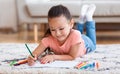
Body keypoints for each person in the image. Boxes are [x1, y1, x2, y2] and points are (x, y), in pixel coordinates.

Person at [27, 4, 96, 66]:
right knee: (76, 33)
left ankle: (89, 18)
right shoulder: (48, 39)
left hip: (86, 44)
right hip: (74, 37)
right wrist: (32, 58)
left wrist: (53, 57)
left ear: (71, 24)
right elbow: (34, 54)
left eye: (61, 29)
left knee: (93, 44)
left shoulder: (75, 35)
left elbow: (72, 57)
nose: (57, 33)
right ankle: (81, 20)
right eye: (53, 29)